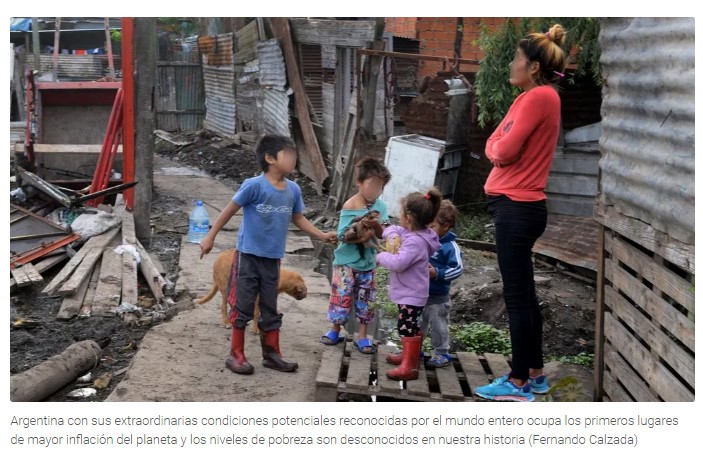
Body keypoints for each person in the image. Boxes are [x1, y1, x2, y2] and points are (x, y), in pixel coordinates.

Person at [474, 24, 568, 401]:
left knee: (516, 296)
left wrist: (495, 149)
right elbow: (494, 139)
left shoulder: (537, 99)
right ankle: (535, 373)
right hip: (517, 207)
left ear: (531, 66)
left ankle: (517, 383)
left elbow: (502, 149)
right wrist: (495, 146)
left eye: (516, 58)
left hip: (517, 207)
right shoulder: (530, 97)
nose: (511, 64)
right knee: (524, 295)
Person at [199, 134, 336, 375]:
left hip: (272, 259)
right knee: (243, 305)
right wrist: (210, 236)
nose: (294, 159)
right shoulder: (253, 185)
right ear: (270, 158)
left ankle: (272, 354)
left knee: (270, 307)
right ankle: (236, 354)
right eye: (289, 155)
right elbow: (229, 211)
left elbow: (298, 218)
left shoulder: (293, 189)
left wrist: (321, 235)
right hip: (248, 257)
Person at [320, 157, 391, 354]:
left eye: (380, 187)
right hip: (346, 262)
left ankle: (362, 336)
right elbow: (343, 235)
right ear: (359, 183)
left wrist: (376, 228)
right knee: (341, 297)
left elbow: (382, 234)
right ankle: (335, 329)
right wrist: (359, 236)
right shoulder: (350, 206)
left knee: (366, 299)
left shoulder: (381, 207)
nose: (376, 191)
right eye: (372, 185)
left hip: (368, 263)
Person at [376, 188, 442, 380]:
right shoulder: (419, 233)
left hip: (411, 293)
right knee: (410, 325)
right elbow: (396, 229)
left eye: (401, 213)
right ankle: (408, 357)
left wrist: (380, 256)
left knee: (406, 326)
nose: (399, 218)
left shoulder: (415, 242)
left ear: (409, 217)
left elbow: (398, 263)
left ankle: (409, 366)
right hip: (411, 291)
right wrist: (390, 233)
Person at [421, 200, 463, 368]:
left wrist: (437, 273)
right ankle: (413, 350)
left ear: (445, 226)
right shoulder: (425, 240)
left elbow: (458, 269)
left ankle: (442, 353)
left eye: (433, 227)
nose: (429, 230)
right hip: (420, 294)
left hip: (438, 297)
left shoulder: (450, 247)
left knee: (439, 326)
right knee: (417, 324)